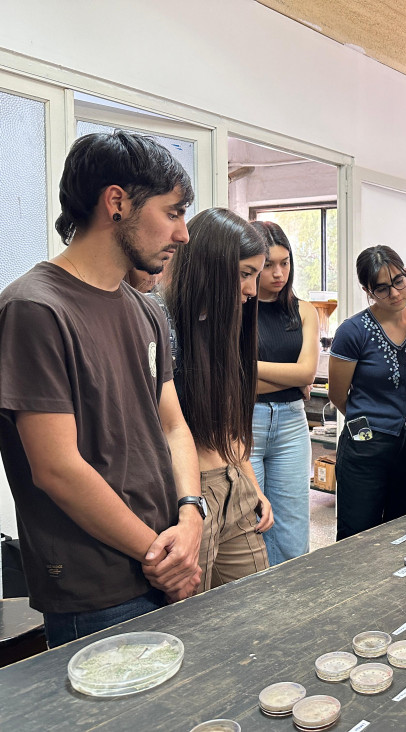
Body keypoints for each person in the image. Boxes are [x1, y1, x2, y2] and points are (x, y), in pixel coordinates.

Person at [0, 131, 203, 647]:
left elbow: (173, 423)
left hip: (165, 557)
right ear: (117, 203)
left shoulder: (145, 310)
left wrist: (190, 514)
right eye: (173, 212)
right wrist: (161, 555)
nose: (182, 234)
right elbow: (56, 468)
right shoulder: (36, 309)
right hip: (99, 584)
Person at [150, 208, 273, 591]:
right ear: (209, 265)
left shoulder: (221, 322)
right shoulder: (157, 319)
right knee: (189, 619)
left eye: (255, 274)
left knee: (254, 609)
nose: (252, 290)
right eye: (244, 274)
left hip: (233, 479)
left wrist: (252, 485)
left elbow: (226, 420)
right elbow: (167, 428)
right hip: (186, 494)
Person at [329, 246, 406, 539]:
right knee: (358, 536)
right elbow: (338, 395)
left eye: (399, 281)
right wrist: (367, 425)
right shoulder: (353, 331)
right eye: (382, 289)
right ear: (367, 290)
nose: (396, 293)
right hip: (365, 448)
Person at [248, 221, 319, 565]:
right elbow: (228, 382)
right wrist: (292, 379)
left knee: (292, 529)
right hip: (245, 423)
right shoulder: (236, 309)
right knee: (252, 524)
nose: (278, 273)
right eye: (268, 264)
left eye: (285, 263)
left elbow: (308, 372)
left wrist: (246, 369)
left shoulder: (303, 310)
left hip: (292, 424)